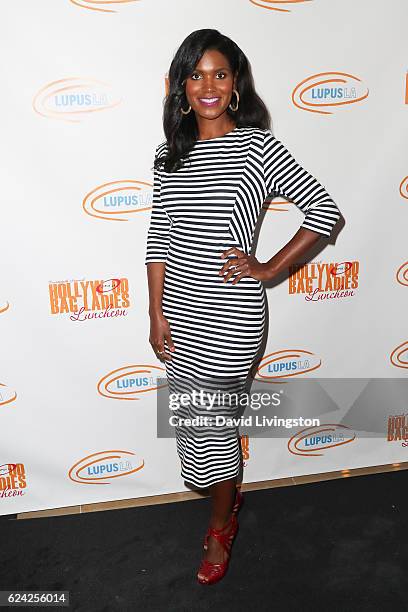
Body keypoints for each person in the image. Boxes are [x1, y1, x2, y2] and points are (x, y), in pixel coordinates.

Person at [145, 28, 341, 585]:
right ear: (182, 85)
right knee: (198, 427)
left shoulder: (257, 146)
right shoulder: (168, 154)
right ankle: (227, 505)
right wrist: (155, 313)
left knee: (215, 432)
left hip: (231, 318)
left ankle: (219, 526)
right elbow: (158, 237)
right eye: (196, 74)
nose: (208, 85)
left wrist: (270, 268)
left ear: (235, 85)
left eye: (220, 74)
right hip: (176, 316)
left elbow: (325, 213)